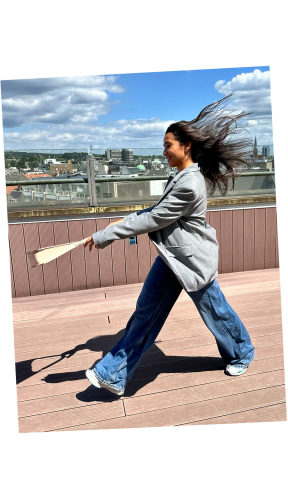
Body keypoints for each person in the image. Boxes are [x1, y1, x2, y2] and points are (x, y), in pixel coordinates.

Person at [84, 91, 255, 396]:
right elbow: (153, 213)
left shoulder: (189, 183)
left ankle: (242, 352)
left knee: (216, 313)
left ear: (185, 146)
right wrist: (114, 226)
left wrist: (106, 236)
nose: (164, 151)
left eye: (168, 145)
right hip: (171, 258)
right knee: (145, 314)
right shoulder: (179, 176)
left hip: (191, 262)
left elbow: (155, 219)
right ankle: (114, 374)